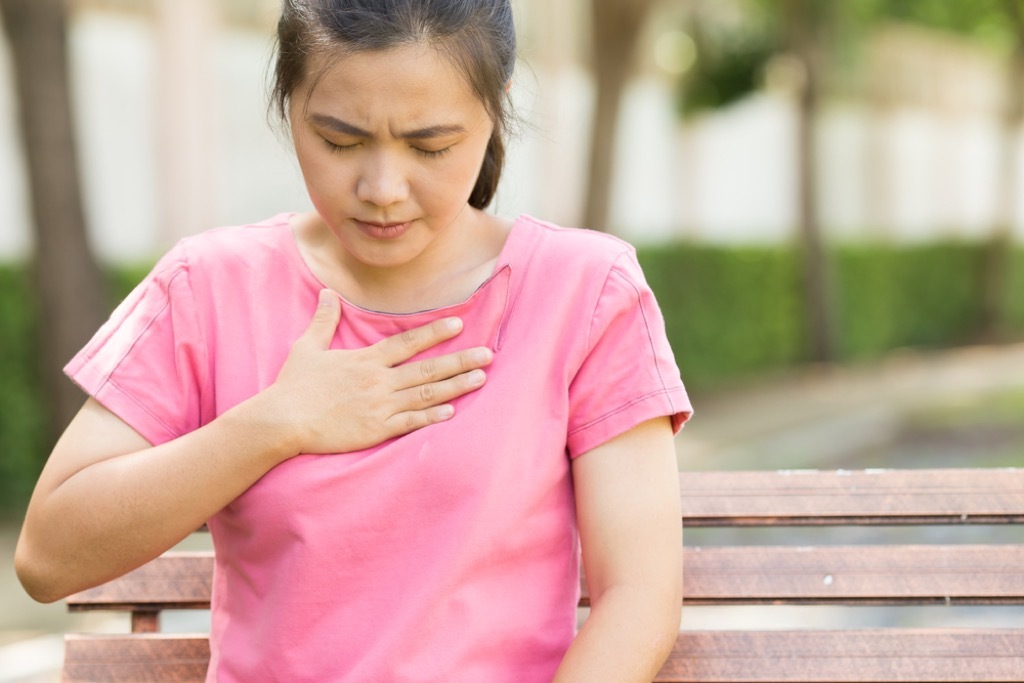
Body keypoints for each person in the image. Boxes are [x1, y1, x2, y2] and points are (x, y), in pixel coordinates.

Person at [15, 1, 692, 680]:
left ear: (496, 109)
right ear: (289, 104)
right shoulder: (208, 286)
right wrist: (275, 423)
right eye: (339, 140)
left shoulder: (586, 292)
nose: (381, 188)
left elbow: (639, 596)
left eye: (430, 144)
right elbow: (48, 556)